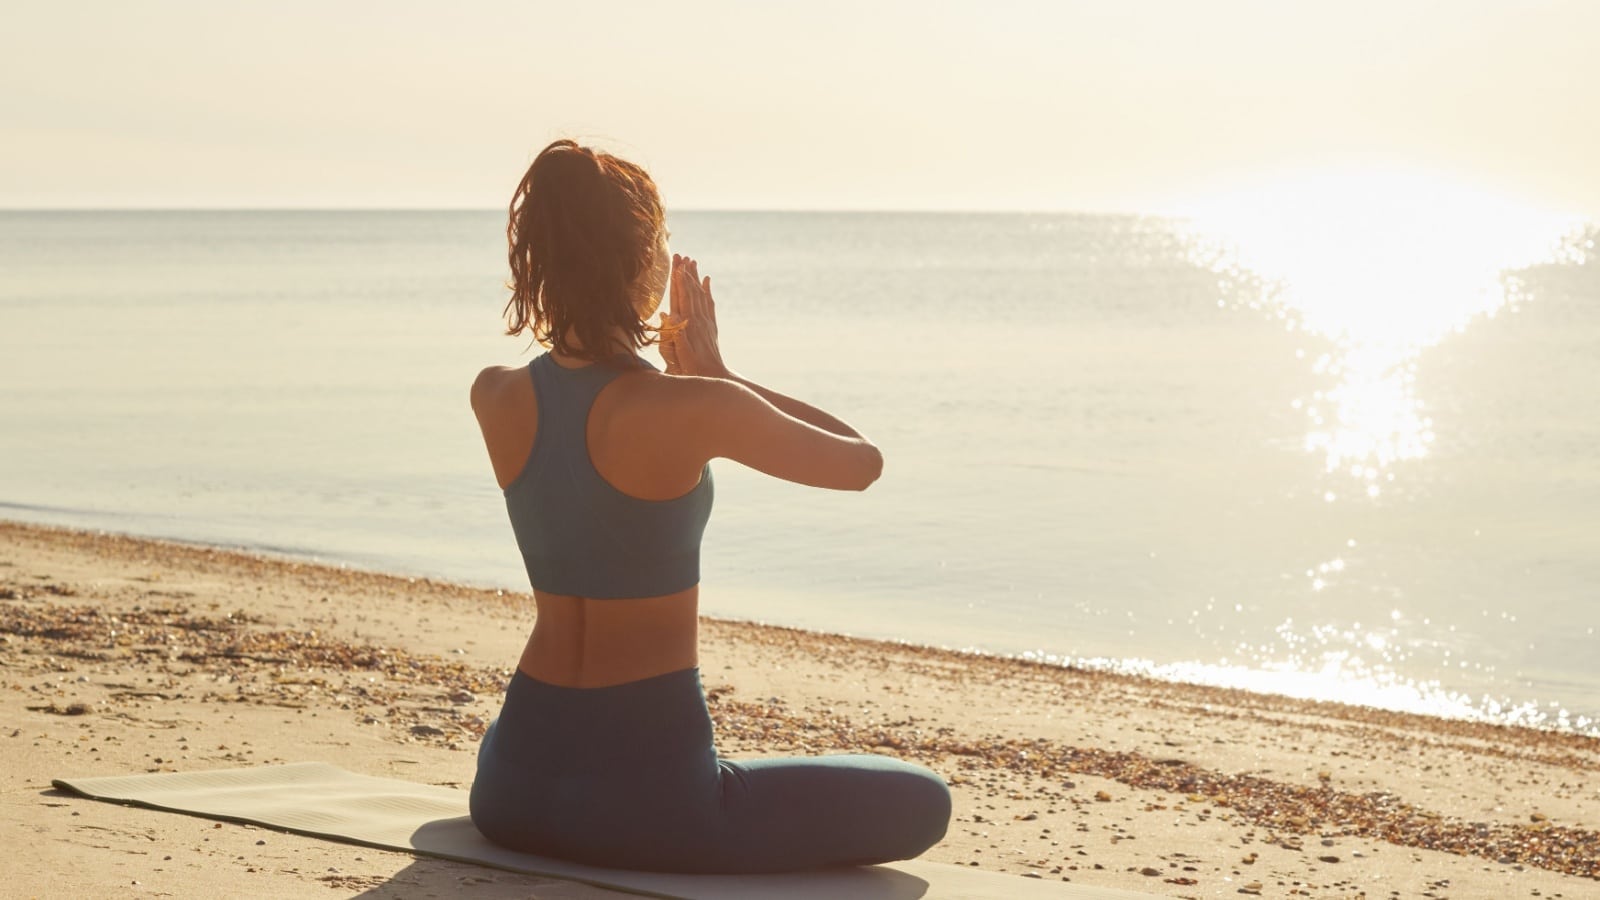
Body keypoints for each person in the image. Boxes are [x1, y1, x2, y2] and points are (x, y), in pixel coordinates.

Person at [465, 139, 952, 874]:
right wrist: (722, 374)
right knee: (925, 799)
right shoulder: (697, 405)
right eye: (660, 243)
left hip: (509, 792)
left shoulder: (494, 393)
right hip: (655, 809)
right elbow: (861, 463)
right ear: (640, 264)